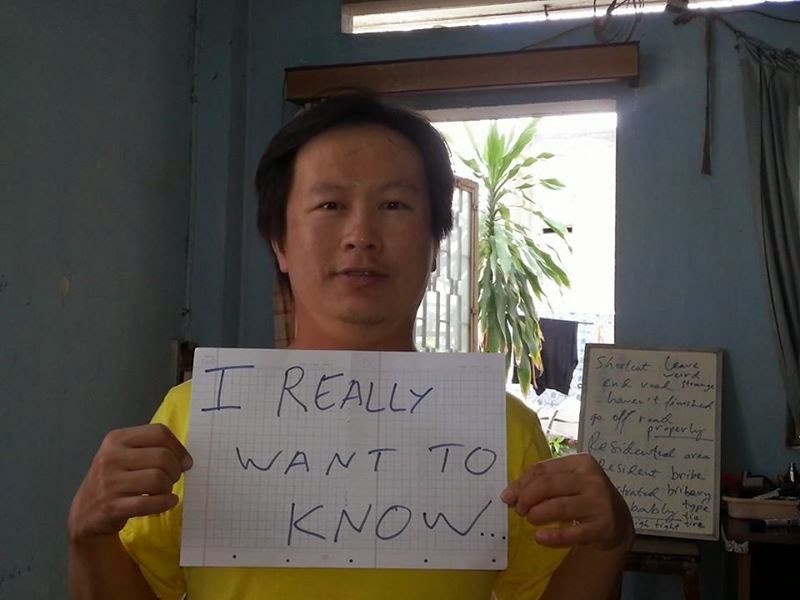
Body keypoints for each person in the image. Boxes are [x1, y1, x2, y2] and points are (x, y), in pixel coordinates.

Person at [68, 92, 634, 599]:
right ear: (280, 242)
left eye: (395, 205)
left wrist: (610, 538)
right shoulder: (191, 419)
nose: (361, 236)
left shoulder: (501, 429)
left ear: (435, 244)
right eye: (330, 205)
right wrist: (89, 536)